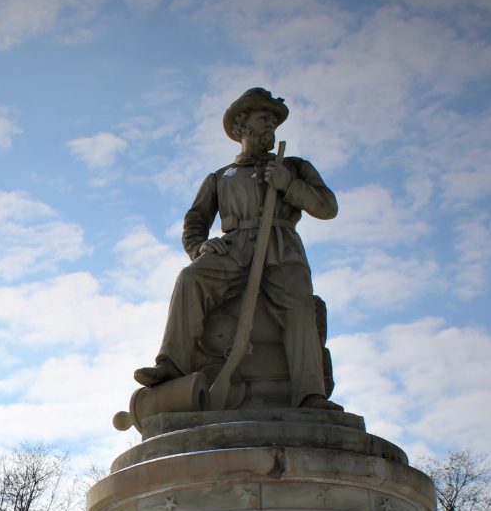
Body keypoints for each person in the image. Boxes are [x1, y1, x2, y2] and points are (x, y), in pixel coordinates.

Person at [134, 87, 341, 410]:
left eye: (274, 121)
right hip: (232, 247)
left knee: (300, 308)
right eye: (263, 119)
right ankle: (172, 364)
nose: (270, 126)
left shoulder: (295, 167)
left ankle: (309, 394)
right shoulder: (220, 177)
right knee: (190, 278)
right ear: (243, 126)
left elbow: (327, 207)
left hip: (281, 247)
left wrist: (289, 185)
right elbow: (196, 220)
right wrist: (199, 247)